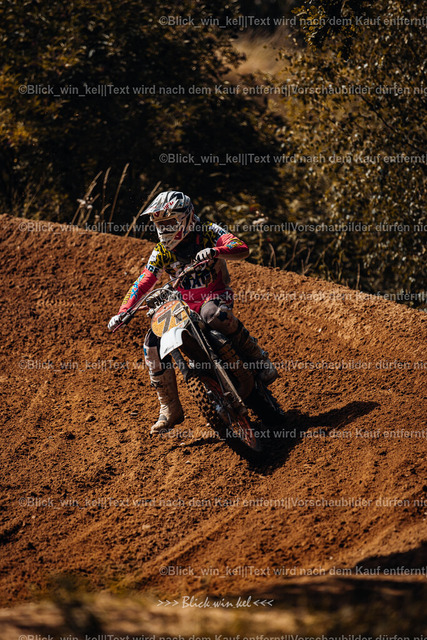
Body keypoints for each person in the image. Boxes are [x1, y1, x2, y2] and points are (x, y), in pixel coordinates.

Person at [108, 191, 278, 434]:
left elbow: (241, 248)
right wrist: (124, 311)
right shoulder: (161, 250)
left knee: (213, 316)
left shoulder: (207, 231)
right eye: (160, 224)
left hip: (215, 296)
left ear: (185, 217)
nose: (164, 229)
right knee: (151, 343)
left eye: (169, 223)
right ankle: (169, 407)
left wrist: (216, 251)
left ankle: (257, 357)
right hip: (182, 305)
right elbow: (145, 280)